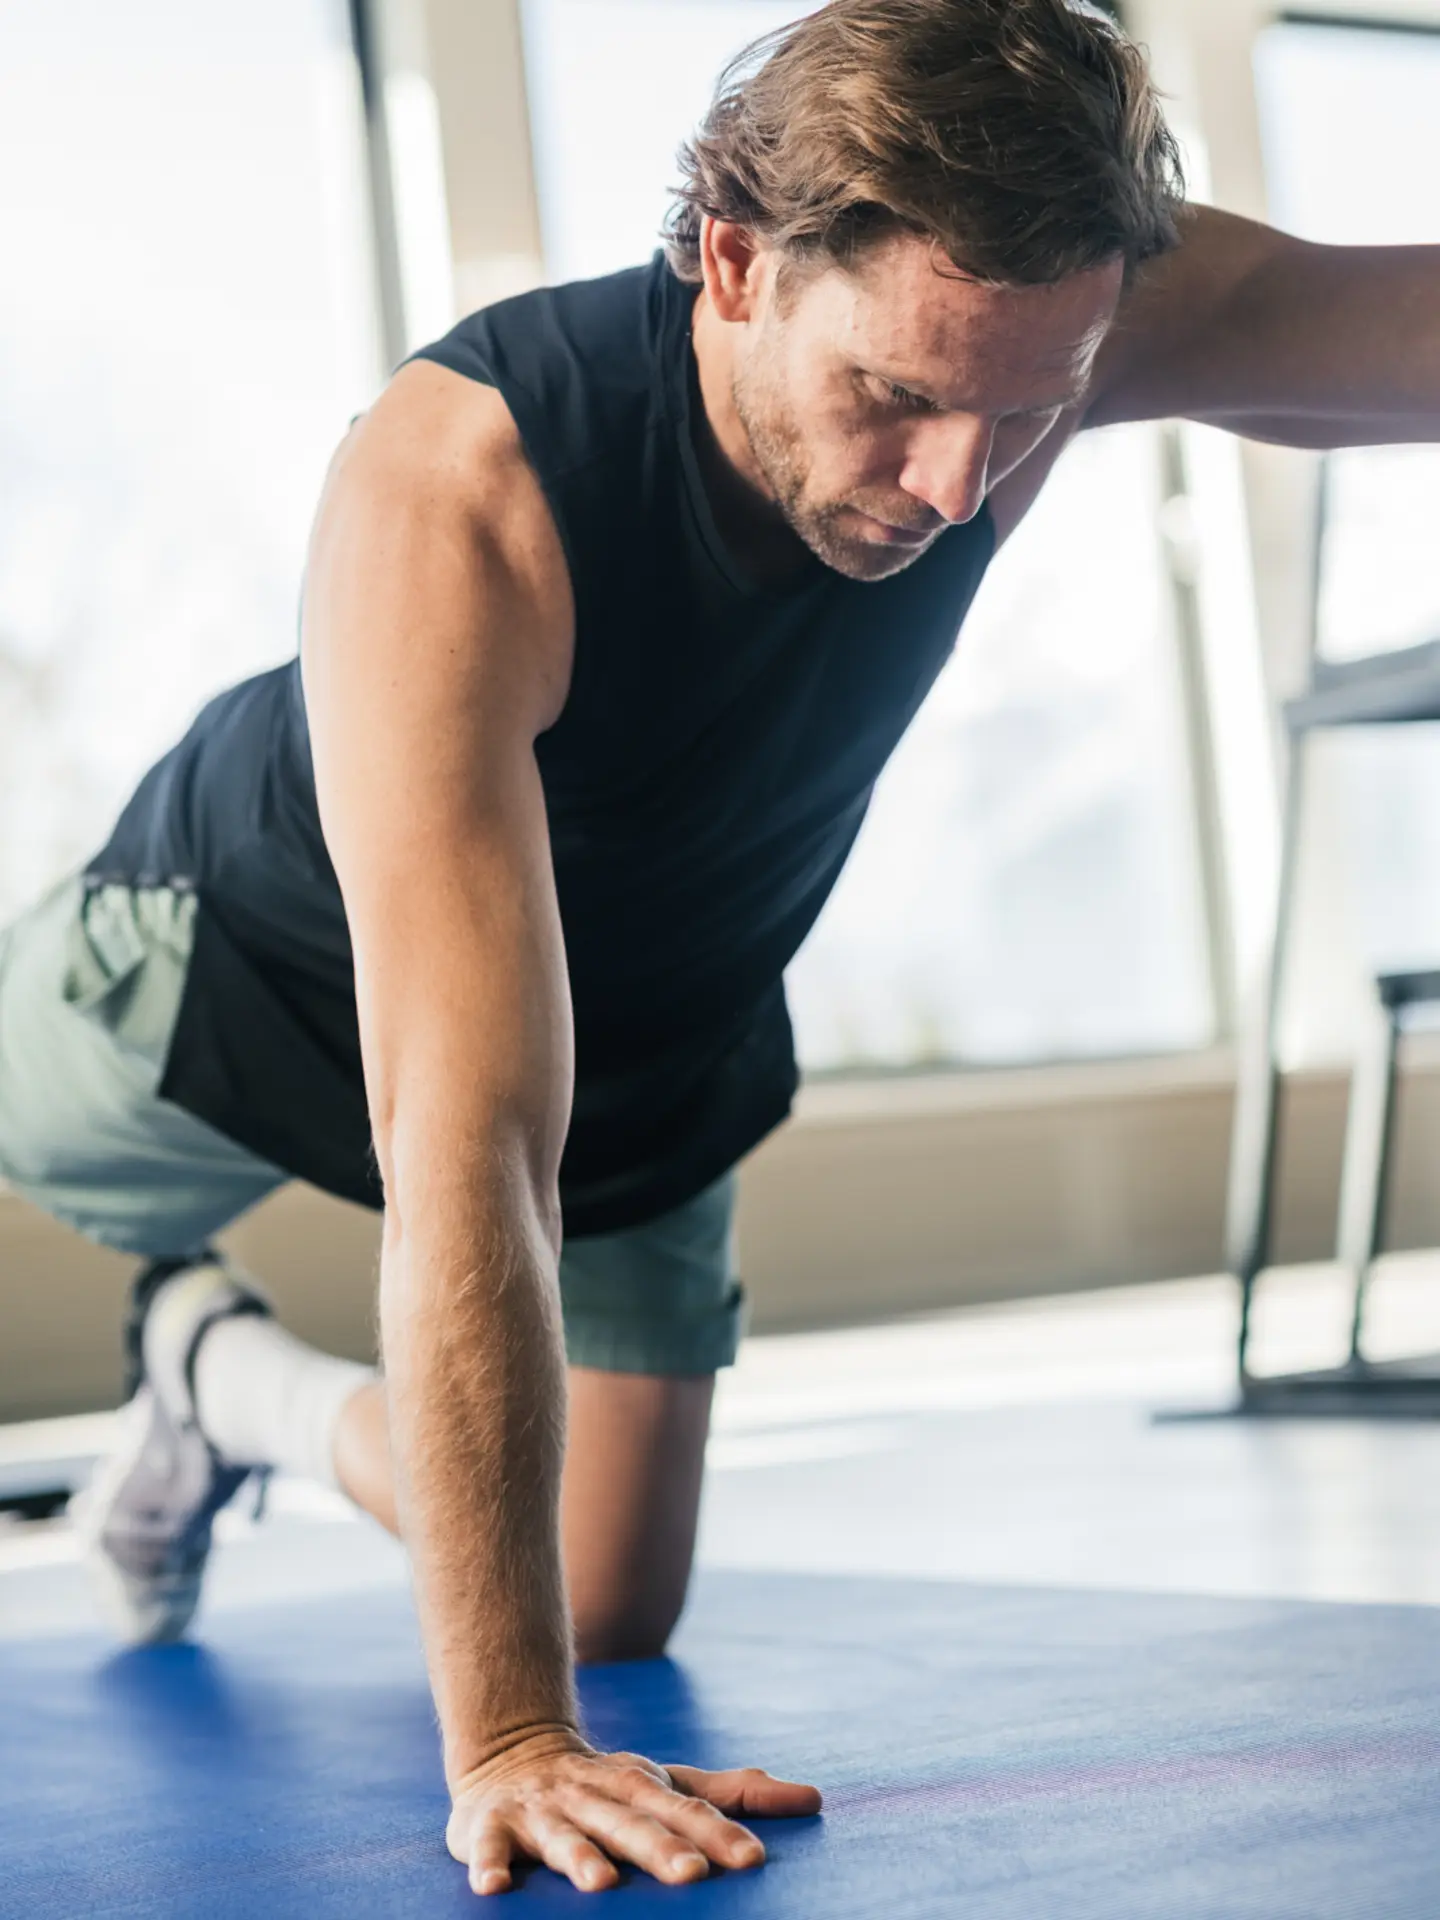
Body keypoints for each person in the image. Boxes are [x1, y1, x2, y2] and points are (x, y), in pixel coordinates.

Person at [1, 0, 1435, 1896]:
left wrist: (553, 1670)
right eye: (899, 398)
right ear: (738, 261)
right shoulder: (460, 490)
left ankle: (209, 1372)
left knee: (596, 1594)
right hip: (222, 967)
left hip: (653, 1013)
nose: (956, 485)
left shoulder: (1036, 329)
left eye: (1030, 410)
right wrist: (508, 1739)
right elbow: (472, 1135)